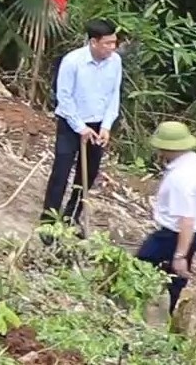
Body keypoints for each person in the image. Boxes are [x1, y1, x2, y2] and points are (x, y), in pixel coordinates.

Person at [39, 19, 123, 234]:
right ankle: (49, 221)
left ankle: (72, 215)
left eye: (114, 42)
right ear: (94, 42)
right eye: (107, 43)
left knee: (89, 172)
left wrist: (106, 126)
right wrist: (79, 127)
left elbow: (114, 95)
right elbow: (64, 97)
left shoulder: (115, 62)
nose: (112, 48)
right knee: (61, 170)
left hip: (97, 124)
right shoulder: (73, 61)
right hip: (71, 122)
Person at [135, 121, 196, 317]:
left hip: (176, 234)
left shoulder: (180, 178)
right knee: (173, 277)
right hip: (195, 230)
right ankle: (167, 313)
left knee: (141, 264)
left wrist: (179, 255)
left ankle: (140, 309)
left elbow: (185, 220)